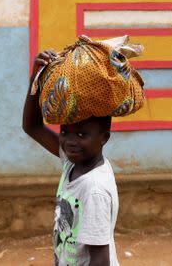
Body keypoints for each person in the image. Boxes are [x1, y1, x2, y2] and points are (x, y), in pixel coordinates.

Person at [23, 49, 120, 266]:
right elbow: (32, 126)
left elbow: (100, 259)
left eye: (82, 134)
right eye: (65, 132)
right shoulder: (73, 162)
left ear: (104, 138)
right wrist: (35, 79)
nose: (70, 141)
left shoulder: (94, 189)